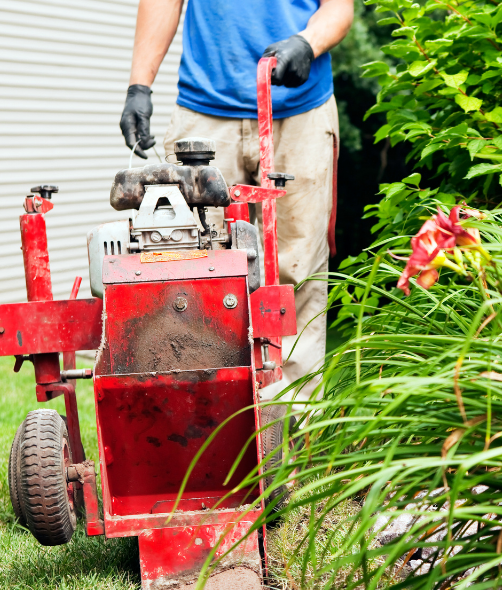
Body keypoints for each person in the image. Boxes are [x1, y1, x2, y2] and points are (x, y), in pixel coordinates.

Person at [119, 0, 354, 404]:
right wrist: (139, 85)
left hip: (299, 110)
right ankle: (197, 420)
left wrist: (307, 43)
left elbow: (338, 9)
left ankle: (292, 432)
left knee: (294, 270)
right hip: (204, 110)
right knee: (186, 270)